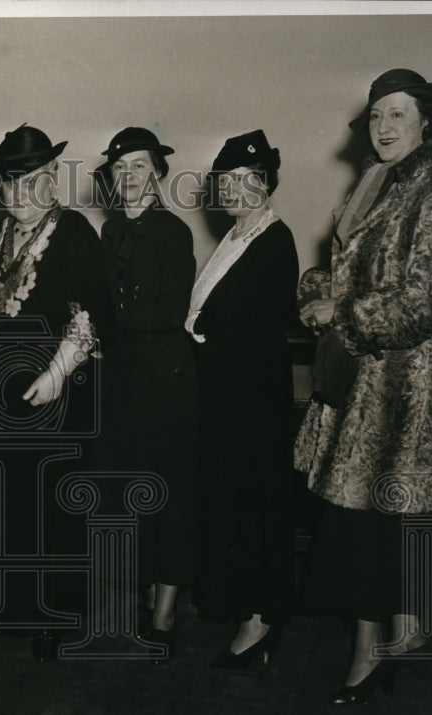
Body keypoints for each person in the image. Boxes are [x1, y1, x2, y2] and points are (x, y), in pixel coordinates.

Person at [295, 70, 432, 704]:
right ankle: (405, 632)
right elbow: (347, 270)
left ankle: (369, 654)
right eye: (376, 114)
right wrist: (317, 293)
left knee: (369, 527)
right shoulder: (379, 182)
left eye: (397, 113)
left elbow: (425, 304)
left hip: (407, 389)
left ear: (426, 122)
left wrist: (342, 313)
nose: (383, 126)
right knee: (385, 523)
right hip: (371, 380)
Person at [0, 124, 114, 661]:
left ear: (52, 180)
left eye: (32, 182)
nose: (21, 194)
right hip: (2, 393)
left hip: (56, 391)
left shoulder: (74, 231)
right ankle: (10, 607)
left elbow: (90, 312)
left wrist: (56, 372)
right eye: (11, 184)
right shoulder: (0, 235)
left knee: (52, 506)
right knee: (9, 501)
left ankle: (55, 615)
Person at [185, 129, 298, 669]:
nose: (230, 190)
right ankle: (244, 607)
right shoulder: (235, 237)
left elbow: (252, 323)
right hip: (227, 396)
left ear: (266, 183)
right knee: (231, 502)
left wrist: (202, 333)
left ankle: (261, 619)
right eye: (223, 181)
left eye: (243, 179)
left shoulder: (274, 240)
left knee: (255, 503)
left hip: (253, 402)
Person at [96, 127, 198, 660]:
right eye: (121, 167)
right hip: (121, 381)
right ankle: (146, 593)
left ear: (158, 172)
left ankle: (166, 610)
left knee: (169, 495)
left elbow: (168, 311)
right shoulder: (110, 229)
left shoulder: (172, 231)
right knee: (133, 491)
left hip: (164, 381)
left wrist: (100, 324)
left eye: (140, 165)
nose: (130, 174)